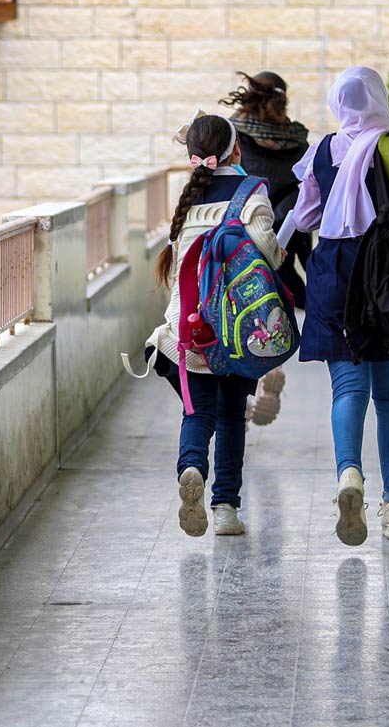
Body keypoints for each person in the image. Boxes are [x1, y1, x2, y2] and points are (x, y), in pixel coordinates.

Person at [278, 67, 389, 545]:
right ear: (379, 95)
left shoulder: (322, 151)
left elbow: (307, 213)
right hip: (388, 278)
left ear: (338, 104)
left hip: (335, 273)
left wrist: (278, 242)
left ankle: (348, 475)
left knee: (347, 390)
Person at [144, 113, 282, 537]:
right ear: (236, 150)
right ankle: (225, 509)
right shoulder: (250, 192)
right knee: (230, 419)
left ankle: (191, 470)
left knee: (197, 413)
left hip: (188, 334)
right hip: (237, 334)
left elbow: (176, 267)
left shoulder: (189, 201)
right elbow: (267, 251)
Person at [219, 71, 311, 425]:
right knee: (278, 304)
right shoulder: (299, 138)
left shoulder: (234, 134)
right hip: (289, 237)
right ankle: (271, 366)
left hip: (243, 235)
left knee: (237, 311)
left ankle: (242, 383)